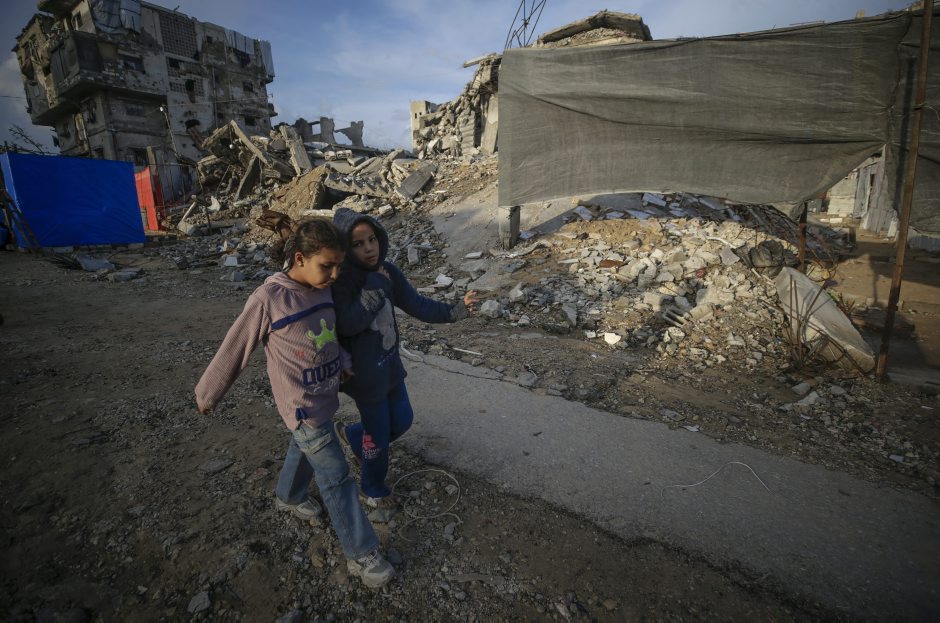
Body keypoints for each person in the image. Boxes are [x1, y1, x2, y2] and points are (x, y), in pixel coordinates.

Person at [194, 218, 394, 589]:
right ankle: (362, 554)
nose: (334, 275)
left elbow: (328, 336)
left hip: (325, 398)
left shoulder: (322, 290)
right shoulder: (270, 298)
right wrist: (208, 393)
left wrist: (344, 362)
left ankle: (288, 495)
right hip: (301, 406)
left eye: (338, 266)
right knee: (336, 476)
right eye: (327, 266)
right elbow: (235, 346)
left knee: (303, 447)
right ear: (300, 258)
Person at [331, 207, 477, 511]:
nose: (369, 248)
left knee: (402, 420)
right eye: (358, 244)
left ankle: (353, 436)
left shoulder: (387, 271)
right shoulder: (342, 281)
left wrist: (455, 311)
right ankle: (371, 488)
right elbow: (347, 324)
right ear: (345, 248)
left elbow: (417, 304)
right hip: (364, 378)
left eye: (372, 239)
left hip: (389, 368)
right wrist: (375, 290)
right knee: (378, 437)